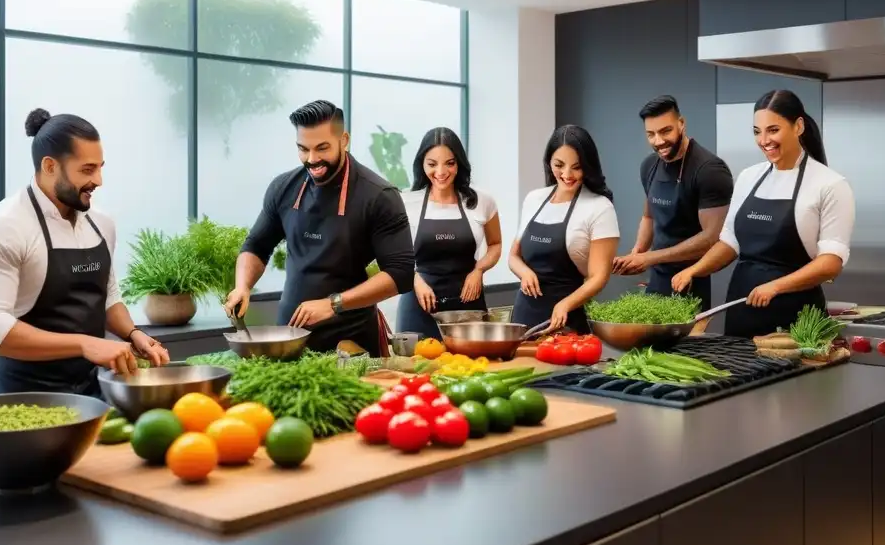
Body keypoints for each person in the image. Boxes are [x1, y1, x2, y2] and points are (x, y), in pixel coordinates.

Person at [0, 109, 170, 396]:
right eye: (87, 170)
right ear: (50, 166)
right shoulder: (1, 227)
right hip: (22, 397)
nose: (98, 180)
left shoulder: (102, 224)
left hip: (90, 392)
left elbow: (108, 295)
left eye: (100, 167)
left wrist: (133, 333)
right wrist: (85, 343)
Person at [225, 100, 415, 354]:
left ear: (344, 140)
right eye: (303, 149)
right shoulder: (283, 188)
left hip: (352, 341)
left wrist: (333, 303)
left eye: (322, 148)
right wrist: (242, 286)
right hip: (290, 336)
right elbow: (257, 246)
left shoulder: (379, 195)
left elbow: (400, 273)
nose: (312, 159)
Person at [671, 90, 855, 338]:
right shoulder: (749, 177)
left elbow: (830, 263)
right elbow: (730, 242)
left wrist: (776, 286)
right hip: (742, 309)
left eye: (773, 130)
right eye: (757, 132)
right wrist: (695, 269)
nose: (764, 140)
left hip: (797, 319)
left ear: (798, 126)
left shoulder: (830, 184)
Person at [613, 96, 734, 311]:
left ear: (681, 123)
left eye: (665, 131)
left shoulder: (710, 170)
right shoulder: (649, 165)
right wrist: (637, 253)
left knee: (686, 344)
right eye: (651, 134)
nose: (658, 141)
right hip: (657, 278)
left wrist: (648, 258)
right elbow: (649, 216)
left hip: (690, 280)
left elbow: (712, 237)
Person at [509, 125, 619, 333]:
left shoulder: (600, 207)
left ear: (588, 166)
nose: (567, 174)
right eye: (559, 165)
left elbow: (599, 276)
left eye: (576, 167)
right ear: (549, 161)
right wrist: (524, 273)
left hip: (566, 321)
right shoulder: (534, 199)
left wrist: (565, 304)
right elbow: (514, 256)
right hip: (523, 316)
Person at [396, 128, 503, 339]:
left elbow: (496, 244)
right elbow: (393, 255)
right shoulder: (406, 202)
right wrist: (415, 280)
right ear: (422, 164)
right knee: (416, 368)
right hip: (419, 304)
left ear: (459, 163)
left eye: (450, 163)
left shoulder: (482, 201)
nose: (441, 172)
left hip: (468, 306)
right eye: (432, 164)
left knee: (472, 369)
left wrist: (478, 270)